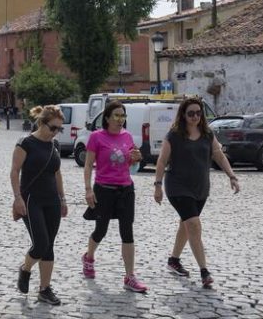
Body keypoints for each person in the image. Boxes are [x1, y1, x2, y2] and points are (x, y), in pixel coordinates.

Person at [153, 97, 240, 289]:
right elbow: (161, 161)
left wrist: (232, 176)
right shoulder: (174, 135)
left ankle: (174, 260)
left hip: (200, 188)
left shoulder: (208, 134)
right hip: (177, 187)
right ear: (183, 115)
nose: (195, 117)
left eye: (198, 113)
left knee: (186, 225)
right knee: (193, 224)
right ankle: (204, 271)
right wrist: (158, 185)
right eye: (191, 113)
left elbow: (218, 154)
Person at [82, 100, 148, 292]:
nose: (120, 119)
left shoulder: (127, 137)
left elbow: (130, 164)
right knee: (100, 230)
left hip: (126, 190)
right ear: (108, 118)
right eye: (117, 116)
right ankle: (89, 257)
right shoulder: (96, 137)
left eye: (123, 116)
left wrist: (136, 159)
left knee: (127, 232)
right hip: (104, 189)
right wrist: (88, 189)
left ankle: (129, 276)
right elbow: (88, 165)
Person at [10, 105, 68, 306]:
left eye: (59, 129)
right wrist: (17, 198)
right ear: (42, 123)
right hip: (31, 200)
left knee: (49, 246)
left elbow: (57, 173)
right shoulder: (26, 143)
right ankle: (25, 269)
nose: (56, 133)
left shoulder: (55, 145)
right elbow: (14, 171)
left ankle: (45, 289)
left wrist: (62, 199)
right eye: (53, 128)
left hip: (51, 200)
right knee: (41, 243)